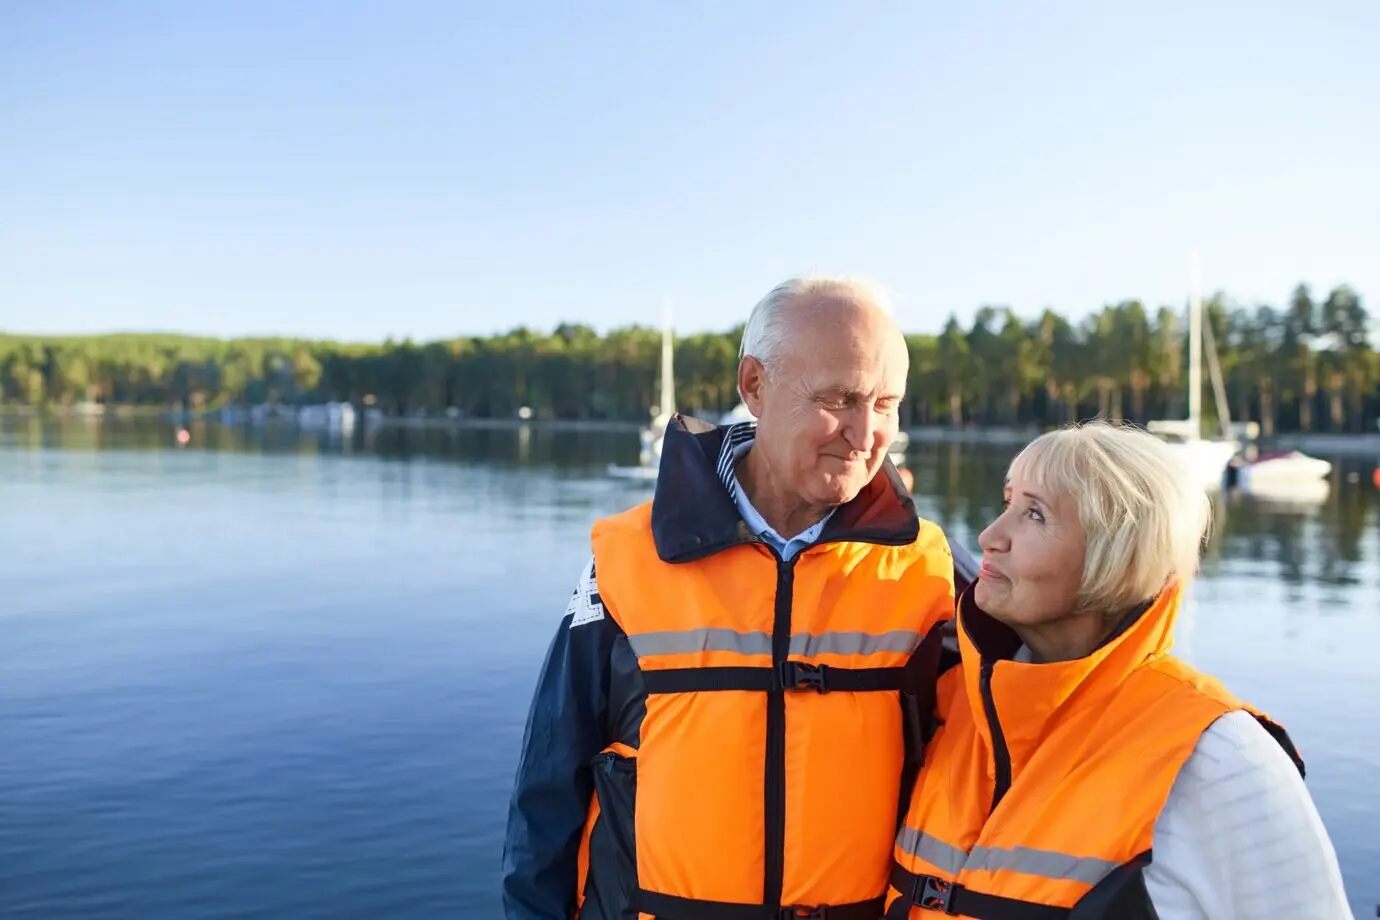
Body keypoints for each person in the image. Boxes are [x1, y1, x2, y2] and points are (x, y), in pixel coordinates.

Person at [502, 275, 972, 920]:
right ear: (754, 385)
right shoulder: (627, 559)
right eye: (840, 398)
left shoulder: (930, 569)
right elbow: (547, 791)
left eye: (887, 404)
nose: (866, 434)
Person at [886, 421, 1354, 919]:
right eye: (1007, 505)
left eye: (1034, 515)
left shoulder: (1219, 758)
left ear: (1116, 555)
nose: (989, 536)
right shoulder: (948, 707)